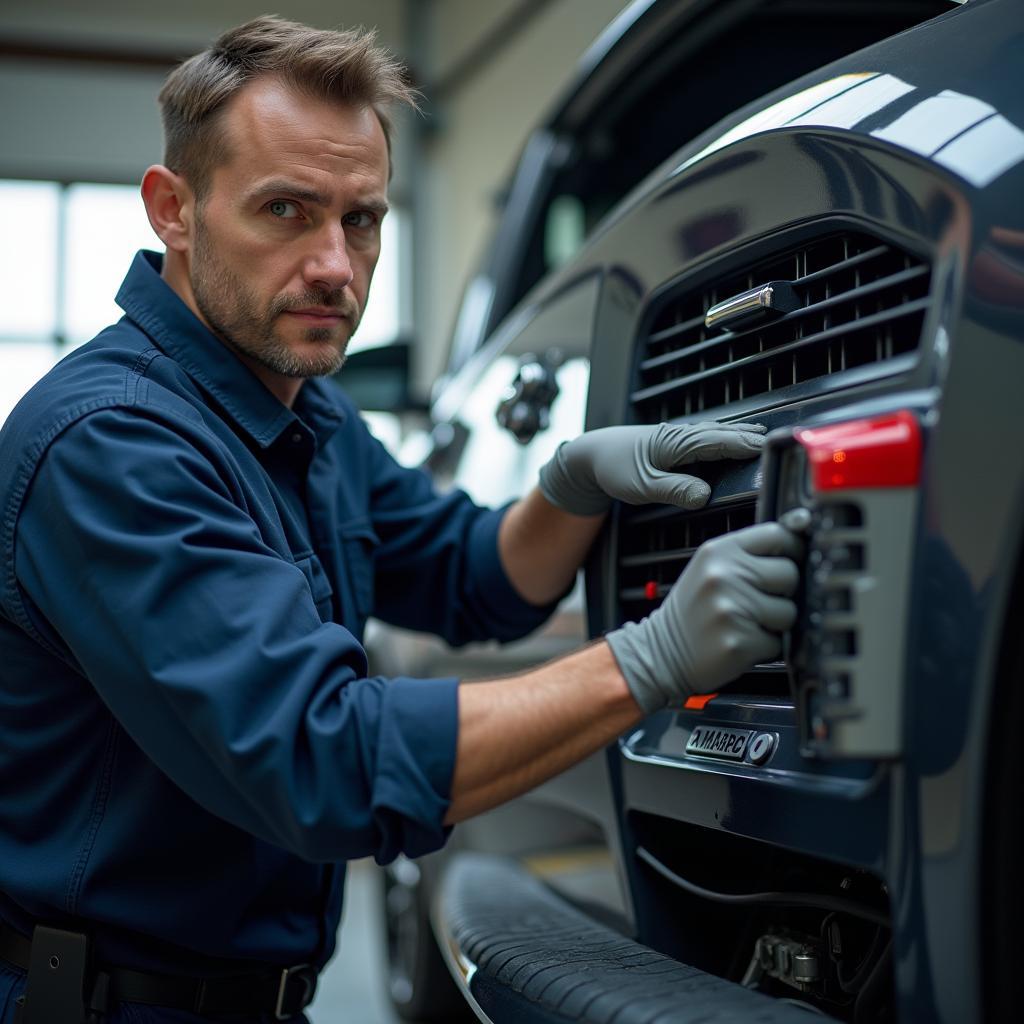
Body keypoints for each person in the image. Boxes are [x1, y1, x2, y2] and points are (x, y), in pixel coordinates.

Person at [0, 16, 803, 1024]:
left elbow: (476, 578)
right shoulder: (111, 445)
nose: (336, 266)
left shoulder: (310, 413)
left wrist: (566, 488)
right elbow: (323, 761)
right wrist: (648, 663)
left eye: (363, 219)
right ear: (176, 210)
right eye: (285, 210)